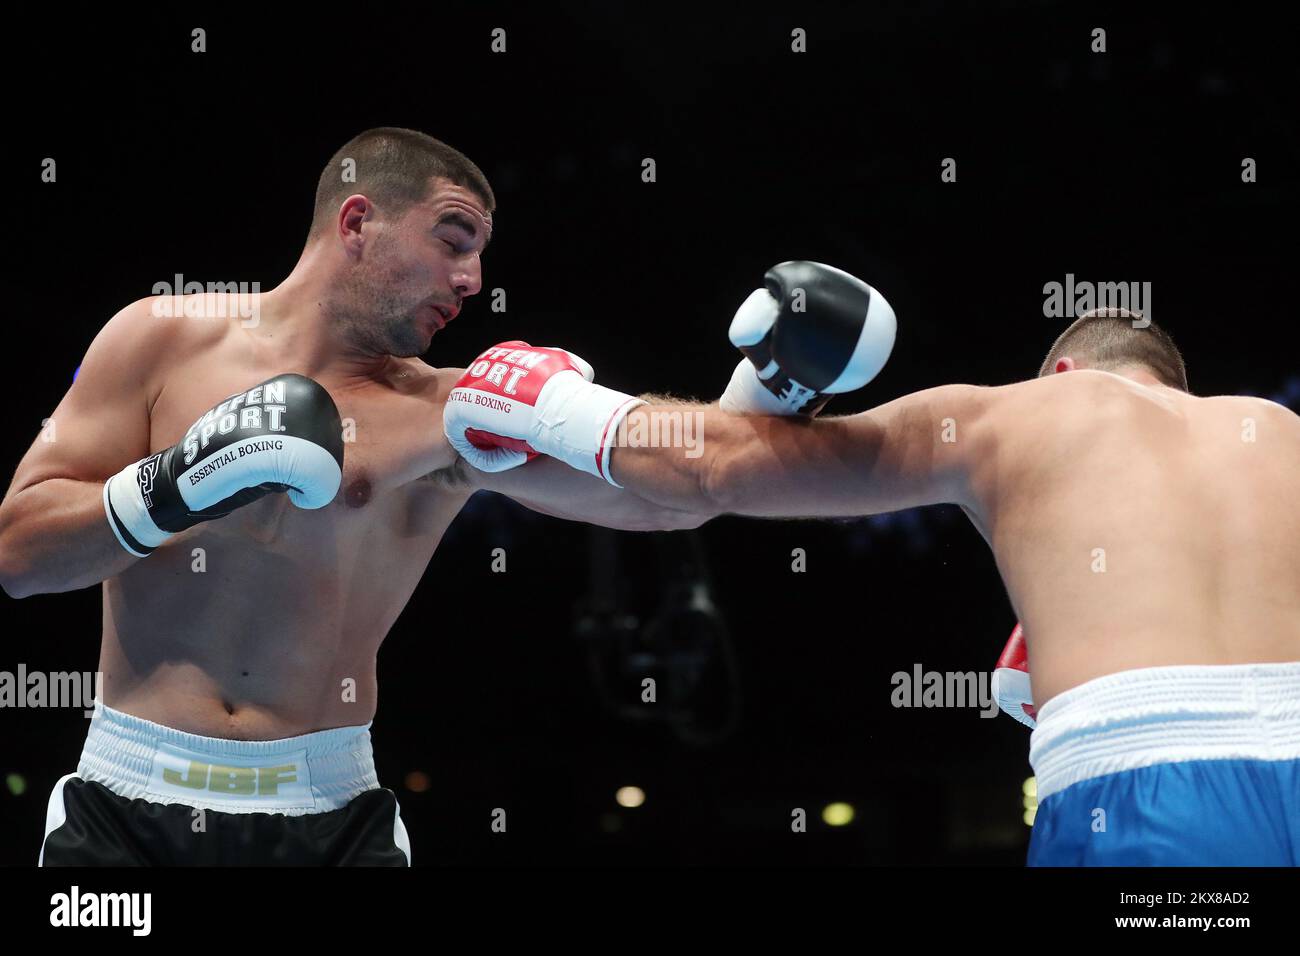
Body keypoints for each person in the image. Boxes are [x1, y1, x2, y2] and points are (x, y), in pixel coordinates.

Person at [0, 127, 733, 865]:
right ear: (357, 222)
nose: (473, 278)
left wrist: (760, 396)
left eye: (480, 254)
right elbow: (18, 556)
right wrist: (173, 486)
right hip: (125, 805)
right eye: (454, 240)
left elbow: (671, 503)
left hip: (330, 820)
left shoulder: (449, 414)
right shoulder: (157, 340)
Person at [445, 302, 1300, 865]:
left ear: (1064, 379)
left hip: (1156, 789)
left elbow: (721, 468)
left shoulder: (1025, 412)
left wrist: (555, 404)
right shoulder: (1277, 432)